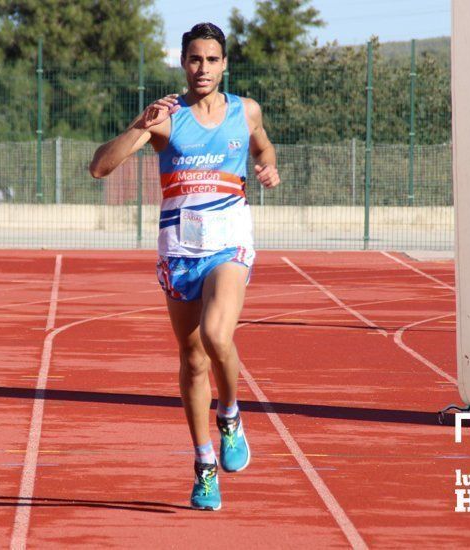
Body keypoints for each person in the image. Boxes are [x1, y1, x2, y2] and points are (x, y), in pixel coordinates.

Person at [89, 22, 280, 511]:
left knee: (218, 337)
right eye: (195, 59)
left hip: (229, 246)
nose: (203, 68)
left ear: (224, 65)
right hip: (179, 252)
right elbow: (99, 167)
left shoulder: (245, 110)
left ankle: (232, 417)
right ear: (182, 63)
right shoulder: (166, 118)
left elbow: (261, 145)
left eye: (212, 59)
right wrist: (139, 124)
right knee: (193, 360)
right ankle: (204, 467)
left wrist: (268, 166)